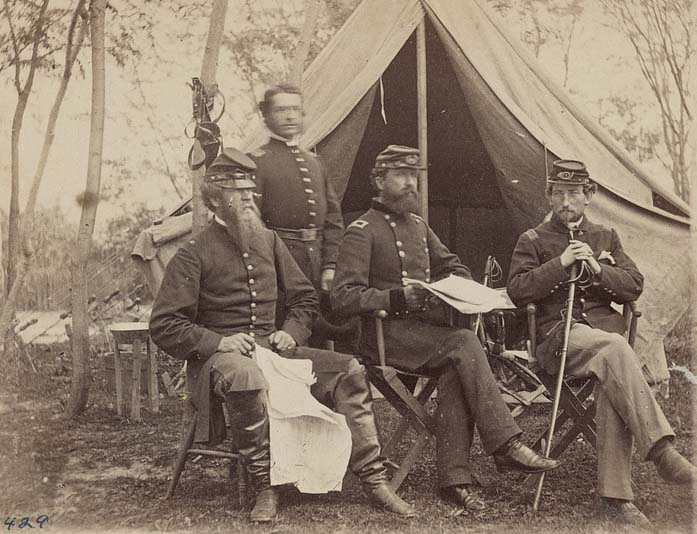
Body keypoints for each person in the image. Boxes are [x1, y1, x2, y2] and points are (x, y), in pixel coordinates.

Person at [149, 148, 415, 523]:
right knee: (246, 375)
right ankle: (263, 486)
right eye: (237, 195)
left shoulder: (269, 242)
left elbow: (305, 297)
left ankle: (375, 480)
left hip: (274, 351)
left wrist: (292, 331)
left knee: (350, 369)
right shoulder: (194, 254)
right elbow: (163, 324)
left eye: (249, 193)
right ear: (215, 201)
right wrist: (218, 342)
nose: (248, 200)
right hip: (218, 362)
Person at [330, 145, 559, 512]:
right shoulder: (362, 231)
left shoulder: (419, 225)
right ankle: (505, 445)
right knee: (464, 343)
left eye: (413, 176)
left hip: (424, 337)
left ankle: (454, 481)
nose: (410, 184)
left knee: (457, 366)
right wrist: (397, 298)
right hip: (384, 338)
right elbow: (342, 298)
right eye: (401, 176)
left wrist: (454, 291)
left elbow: (454, 267)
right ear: (378, 180)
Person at [507, 159, 697, 527]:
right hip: (559, 339)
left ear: (589, 196)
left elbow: (633, 284)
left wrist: (597, 268)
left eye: (574, 194)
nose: (566, 202)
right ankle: (661, 450)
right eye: (558, 194)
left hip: (606, 344)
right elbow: (518, 290)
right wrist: (561, 263)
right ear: (548, 195)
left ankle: (615, 498)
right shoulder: (531, 239)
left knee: (612, 371)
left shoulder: (606, 236)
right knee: (616, 351)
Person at [248, 83, 350, 343]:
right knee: (287, 333)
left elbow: (332, 219)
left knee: (320, 333)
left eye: (295, 109)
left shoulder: (314, 162)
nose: (290, 116)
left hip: (316, 262)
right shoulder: (256, 161)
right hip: (281, 261)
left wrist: (330, 265)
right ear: (266, 116)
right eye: (281, 110)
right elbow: (252, 222)